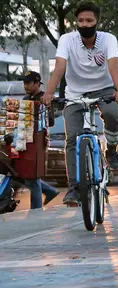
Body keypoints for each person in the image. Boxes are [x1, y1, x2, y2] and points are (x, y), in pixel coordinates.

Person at [42, 2, 118, 206]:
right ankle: (74, 187)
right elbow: (60, 67)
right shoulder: (67, 40)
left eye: (89, 20)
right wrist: (48, 93)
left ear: (97, 21)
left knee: (113, 116)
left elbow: (113, 67)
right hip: (75, 93)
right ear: (75, 23)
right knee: (71, 138)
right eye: (80, 21)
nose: (84, 24)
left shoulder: (108, 39)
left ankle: (112, 150)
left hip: (105, 89)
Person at [16, 71, 59, 209]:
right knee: (21, 173)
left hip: (38, 141)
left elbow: (50, 121)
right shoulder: (25, 98)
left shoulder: (45, 98)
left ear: (37, 83)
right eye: (24, 83)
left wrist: (44, 110)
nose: (25, 86)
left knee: (33, 177)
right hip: (24, 139)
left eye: (28, 83)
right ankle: (50, 191)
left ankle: (36, 210)